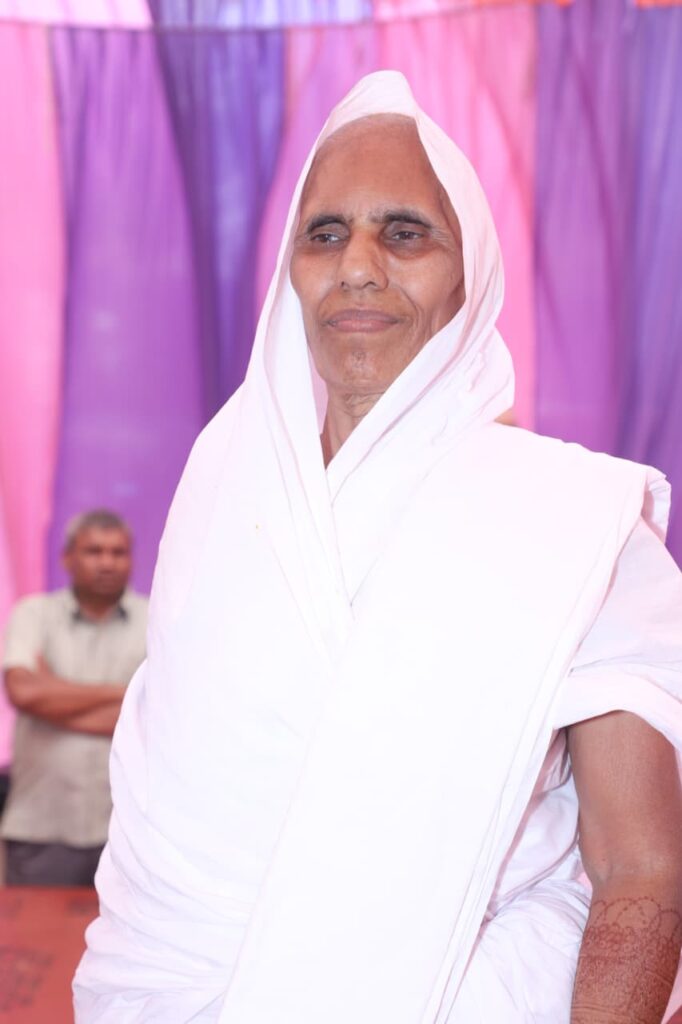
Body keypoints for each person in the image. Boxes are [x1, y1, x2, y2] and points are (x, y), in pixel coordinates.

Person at [74, 73, 682, 1023]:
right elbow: (168, 822)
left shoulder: (570, 522)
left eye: (405, 232)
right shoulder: (222, 496)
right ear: (291, 273)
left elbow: (641, 868)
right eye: (325, 233)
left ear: (470, 275)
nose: (358, 265)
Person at [2, 509, 147, 886]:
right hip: (42, 824)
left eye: (118, 552)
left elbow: (158, 713)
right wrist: (125, 696)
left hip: (129, 831)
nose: (107, 562)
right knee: (36, 944)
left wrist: (52, 694)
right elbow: (22, 691)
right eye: (94, 551)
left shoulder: (156, 619)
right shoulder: (34, 614)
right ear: (68, 557)